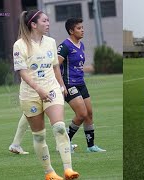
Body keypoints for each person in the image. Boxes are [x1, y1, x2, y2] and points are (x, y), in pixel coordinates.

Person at [13, 9, 79, 180]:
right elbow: (23, 73)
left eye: (48, 21)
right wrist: (38, 89)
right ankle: (49, 173)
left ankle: (68, 169)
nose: (48, 23)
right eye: (44, 21)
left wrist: (61, 85)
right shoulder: (19, 45)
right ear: (33, 25)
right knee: (39, 136)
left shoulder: (50, 41)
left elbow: (55, 66)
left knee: (59, 127)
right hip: (30, 95)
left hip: (51, 89)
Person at [57, 18, 106, 152]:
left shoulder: (81, 45)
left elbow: (77, 66)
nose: (82, 30)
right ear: (71, 31)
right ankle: (64, 142)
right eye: (79, 28)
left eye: (82, 27)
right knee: (81, 114)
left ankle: (91, 146)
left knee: (89, 113)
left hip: (81, 83)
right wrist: (61, 85)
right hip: (68, 84)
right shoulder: (64, 46)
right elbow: (55, 66)